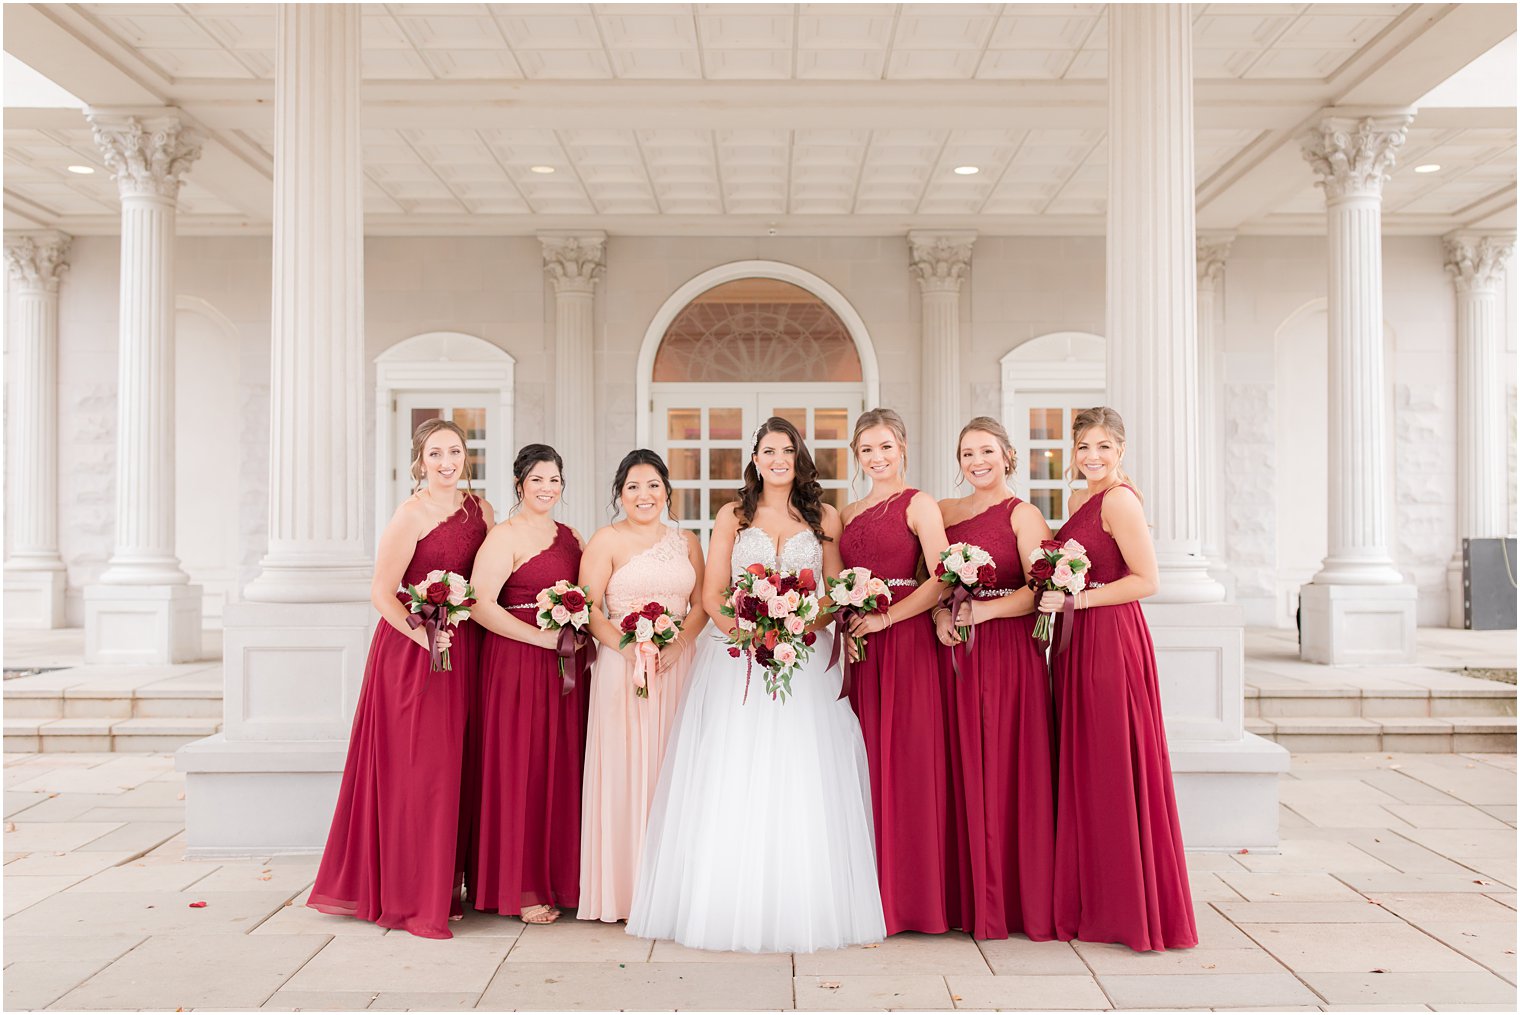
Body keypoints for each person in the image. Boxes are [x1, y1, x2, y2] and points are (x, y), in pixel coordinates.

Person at [627, 417, 885, 953]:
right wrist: (746, 635)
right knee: (734, 771)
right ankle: (727, 901)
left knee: (803, 771)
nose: (777, 460)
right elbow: (714, 591)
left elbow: (834, 591)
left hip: (803, 659)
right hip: (737, 660)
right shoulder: (734, 514)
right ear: (755, 456)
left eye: (787, 451)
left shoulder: (823, 515)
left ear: (799, 456)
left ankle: (802, 901)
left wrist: (796, 628)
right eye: (768, 450)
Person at [308, 418, 491, 938]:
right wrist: (423, 635)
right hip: (412, 654)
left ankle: (446, 885)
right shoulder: (408, 515)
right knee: (419, 772)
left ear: (466, 457)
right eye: (436, 453)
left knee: (455, 768)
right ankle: (411, 897)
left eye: (455, 451)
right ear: (420, 460)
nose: (447, 462)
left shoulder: (482, 512)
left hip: (464, 652)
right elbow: (382, 593)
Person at [1039, 406, 1197, 952]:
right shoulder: (1081, 499)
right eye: (1084, 446)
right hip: (1077, 641)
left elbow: (1147, 580)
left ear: (1121, 451)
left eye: (1104, 446)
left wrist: (1076, 598)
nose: (1093, 457)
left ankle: (1129, 909)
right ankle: (1095, 897)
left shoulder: (1121, 499)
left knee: (1112, 761)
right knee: (1085, 763)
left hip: (1110, 640)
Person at [936, 417, 1056, 941]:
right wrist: (944, 615)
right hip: (954, 653)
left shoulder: (1023, 514)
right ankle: (961, 899)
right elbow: (932, 580)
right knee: (959, 766)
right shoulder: (943, 512)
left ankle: (1004, 902)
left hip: (1008, 653)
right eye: (966, 454)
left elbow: (1039, 589)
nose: (976, 462)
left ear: (1007, 455)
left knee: (1005, 766)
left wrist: (981, 615)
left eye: (985, 451)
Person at [836, 408, 954, 935]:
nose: (876, 458)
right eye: (866, 450)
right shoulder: (848, 511)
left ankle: (909, 899)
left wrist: (886, 618)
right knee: (863, 759)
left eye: (885, 446)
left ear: (902, 446)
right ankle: (864, 889)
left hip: (905, 644)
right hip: (862, 647)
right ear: (856, 456)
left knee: (906, 761)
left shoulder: (919, 504)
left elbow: (943, 577)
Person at [577, 449, 706, 923]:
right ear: (620, 494)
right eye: (632, 486)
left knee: (676, 767)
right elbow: (588, 608)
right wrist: (628, 647)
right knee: (627, 770)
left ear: (667, 491)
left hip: (679, 666)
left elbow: (700, 603)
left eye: (652, 485)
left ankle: (673, 888)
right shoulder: (605, 540)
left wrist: (679, 643)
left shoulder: (687, 541)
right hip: (622, 666)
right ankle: (626, 890)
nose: (644, 494)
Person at [467, 445, 589, 925]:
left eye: (554, 479)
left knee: (560, 766)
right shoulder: (504, 536)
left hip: (565, 667)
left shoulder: (571, 535)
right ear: (520, 484)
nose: (547, 488)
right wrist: (541, 638)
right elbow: (480, 605)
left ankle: (560, 879)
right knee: (522, 767)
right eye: (537, 479)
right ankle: (520, 886)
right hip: (517, 662)